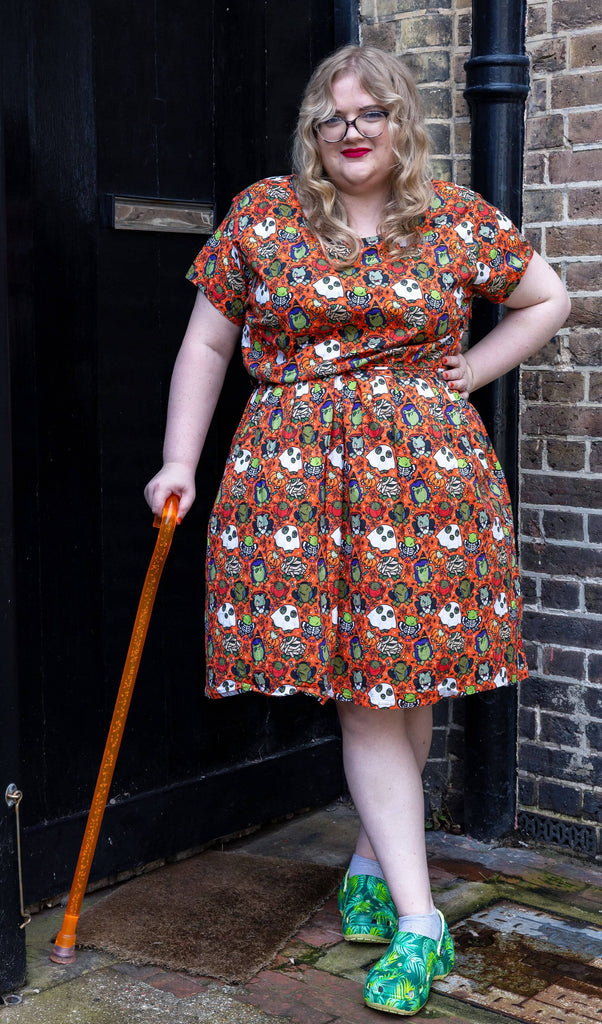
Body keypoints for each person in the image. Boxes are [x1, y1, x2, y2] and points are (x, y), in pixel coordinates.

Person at [145, 44, 570, 1017]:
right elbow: (207, 341)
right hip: (298, 476)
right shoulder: (263, 213)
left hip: (423, 481)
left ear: (400, 119)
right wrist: (178, 459)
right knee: (367, 692)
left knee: (400, 675)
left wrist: (470, 371)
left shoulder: (451, 217)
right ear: (310, 129)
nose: (349, 132)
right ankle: (412, 904)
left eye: (369, 113)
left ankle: (386, 876)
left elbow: (545, 298)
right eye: (331, 118)